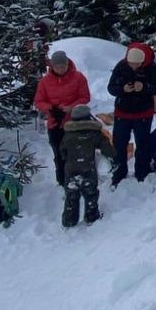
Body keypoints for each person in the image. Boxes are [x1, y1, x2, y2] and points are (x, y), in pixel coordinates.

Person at [107, 43, 156, 184]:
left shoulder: (152, 68)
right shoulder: (121, 66)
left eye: (137, 65)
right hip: (122, 112)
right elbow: (111, 88)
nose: (133, 67)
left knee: (143, 144)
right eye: (131, 64)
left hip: (143, 113)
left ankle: (142, 171)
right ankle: (119, 172)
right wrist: (123, 89)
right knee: (119, 144)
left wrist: (144, 87)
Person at [32, 48, 91, 181]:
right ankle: (62, 179)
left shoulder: (78, 77)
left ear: (67, 64)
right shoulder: (44, 82)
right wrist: (51, 109)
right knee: (59, 154)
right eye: (57, 66)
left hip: (76, 122)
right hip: (55, 123)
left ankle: (78, 177)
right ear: (52, 66)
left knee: (76, 152)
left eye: (62, 65)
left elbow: (85, 97)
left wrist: (72, 107)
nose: (60, 68)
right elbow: (38, 101)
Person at [57, 104, 115, 226]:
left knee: (71, 196)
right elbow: (107, 148)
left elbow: (62, 152)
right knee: (91, 193)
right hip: (88, 168)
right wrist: (114, 160)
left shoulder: (67, 135)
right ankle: (91, 216)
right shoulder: (94, 133)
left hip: (71, 169)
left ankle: (69, 220)